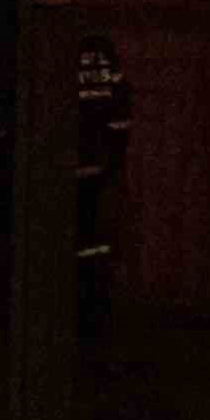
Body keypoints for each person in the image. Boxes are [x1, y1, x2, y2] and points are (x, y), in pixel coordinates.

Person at [75, 34, 130, 341]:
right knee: (96, 239)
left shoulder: (59, 51)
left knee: (81, 239)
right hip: (101, 165)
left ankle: (85, 306)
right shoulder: (105, 57)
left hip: (69, 167)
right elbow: (121, 109)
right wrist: (114, 157)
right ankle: (96, 308)